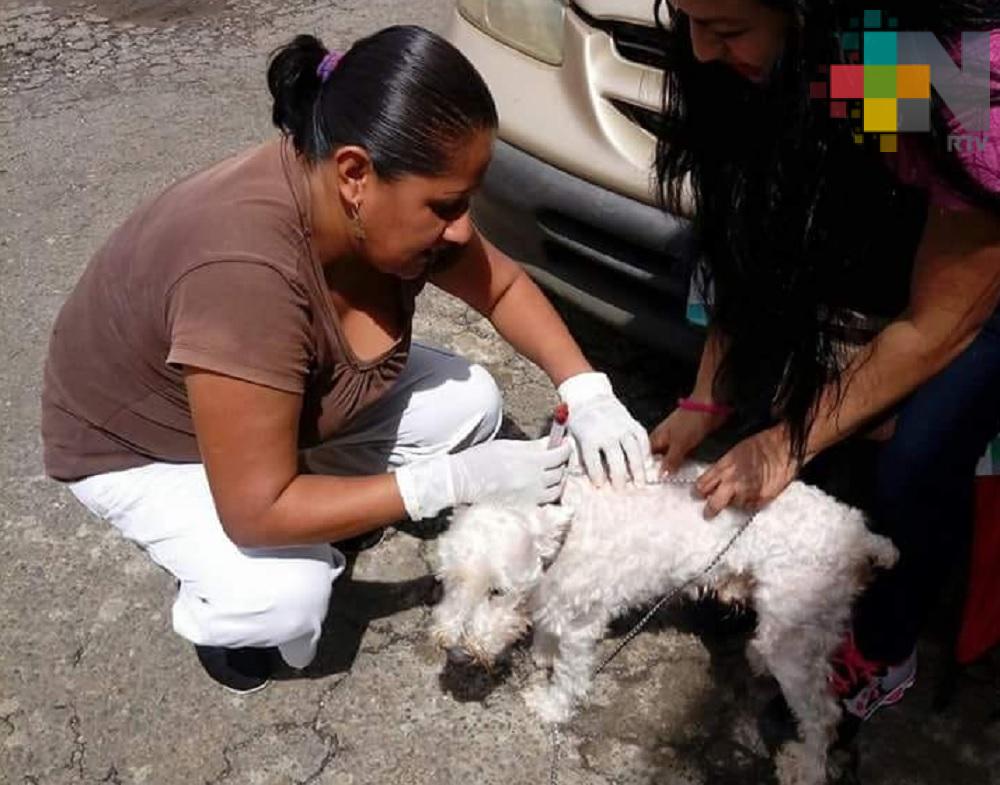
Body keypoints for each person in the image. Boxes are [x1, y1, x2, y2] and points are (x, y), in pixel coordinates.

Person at [41, 26, 651, 694]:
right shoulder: (245, 272)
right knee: (287, 592)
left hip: (281, 398)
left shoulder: (378, 205)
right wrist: (441, 483)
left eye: (467, 199)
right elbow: (255, 509)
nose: (461, 227)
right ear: (355, 174)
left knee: (472, 401)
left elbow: (502, 285)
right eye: (445, 206)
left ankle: (316, 484)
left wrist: (587, 388)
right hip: (146, 445)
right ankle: (220, 612)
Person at [647, 0, 1000, 727]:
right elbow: (759, 230)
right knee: (798, 379)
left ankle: (883, 648)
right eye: (691, 21)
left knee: (917, 449)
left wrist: (793, 437)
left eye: (730, 30)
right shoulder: (823, 64)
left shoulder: (941, 76)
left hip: (979, 250)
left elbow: (940, 321)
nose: (704, 53)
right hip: (875, 103)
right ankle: (765, 569)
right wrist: (707, 395)